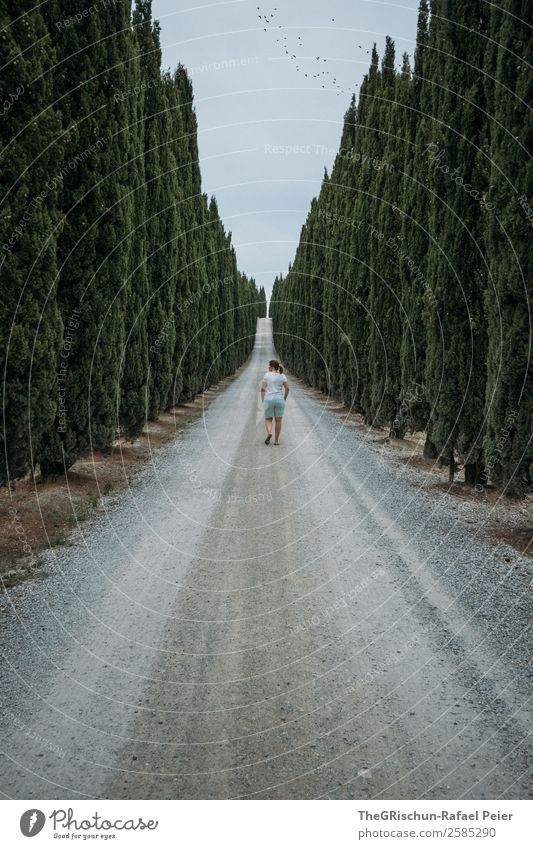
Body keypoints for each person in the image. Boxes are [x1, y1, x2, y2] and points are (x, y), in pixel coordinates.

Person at [260, 359, 289, 445]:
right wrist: (284, 398)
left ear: (272, 367)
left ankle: (269, 432)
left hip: (269, 399)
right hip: (279, 399)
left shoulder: (266, 375)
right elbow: (287, 388)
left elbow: (262, 389)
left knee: (268, 418)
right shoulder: (282, 376)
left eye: (269, 366)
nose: (268, 367)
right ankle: (276, 441)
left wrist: (262, 400)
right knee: (278, 421)